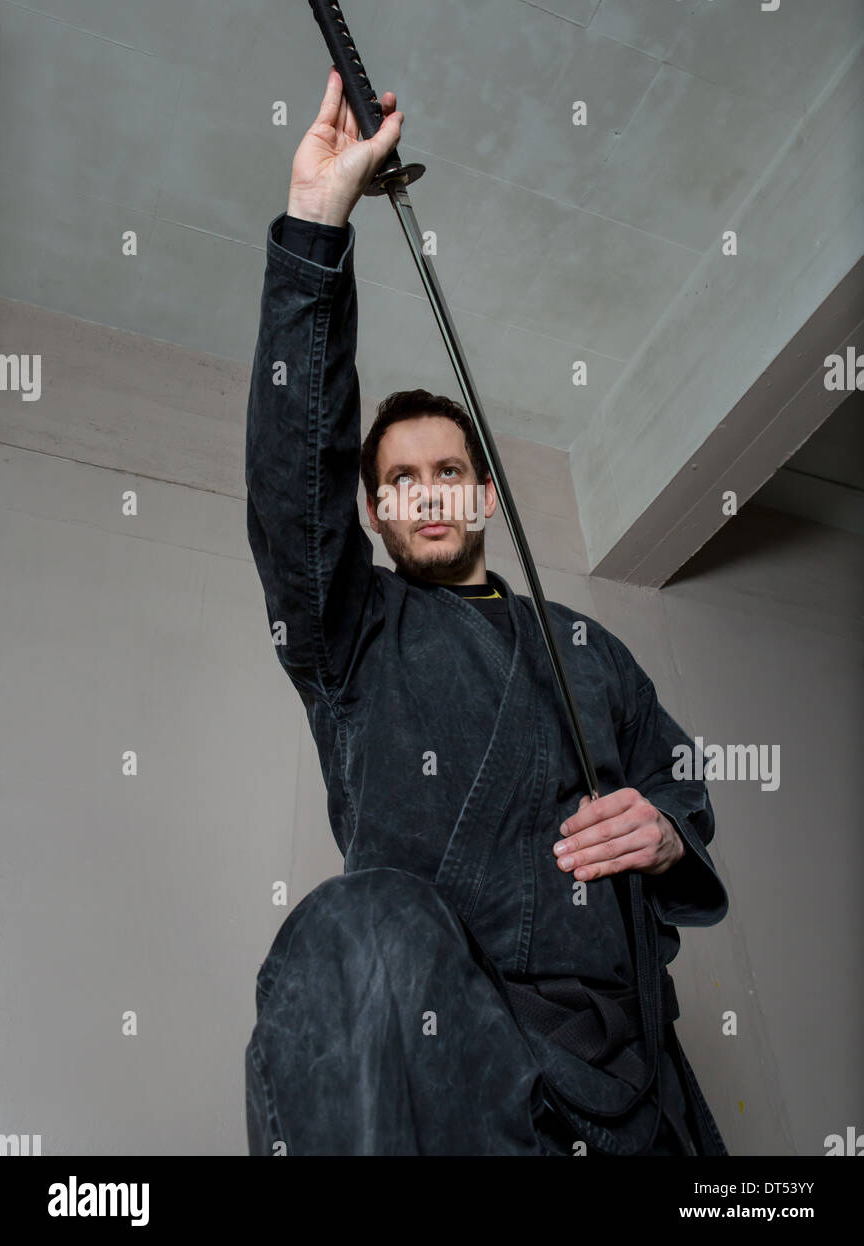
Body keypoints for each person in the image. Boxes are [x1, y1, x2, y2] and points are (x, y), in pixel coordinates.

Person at [243, 68, 729, 1157]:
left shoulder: (588, 651)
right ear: (371, 510)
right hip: (452, 1053)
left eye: (448, 469)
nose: (426, 489)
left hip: (633, 1079)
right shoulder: (351, 633)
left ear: (484, 492)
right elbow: (291, 491)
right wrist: (316, 230)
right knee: (355, 924)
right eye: (399, 477)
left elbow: (679, 778)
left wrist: (658, 829)